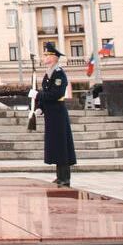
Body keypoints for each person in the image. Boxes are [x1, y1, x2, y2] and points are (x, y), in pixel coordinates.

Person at [30, 42, 76, 187]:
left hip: (58, 114)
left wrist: (38, 95)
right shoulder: (48, 74)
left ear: (53, 57)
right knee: (56, 146)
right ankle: (59, 176)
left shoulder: (59, 74)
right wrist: (40, 108)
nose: (44, 57)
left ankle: (65, 178)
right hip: (51, 114)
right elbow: (45, 94)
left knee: (62, 146)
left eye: (46, 55)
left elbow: (56, 94)